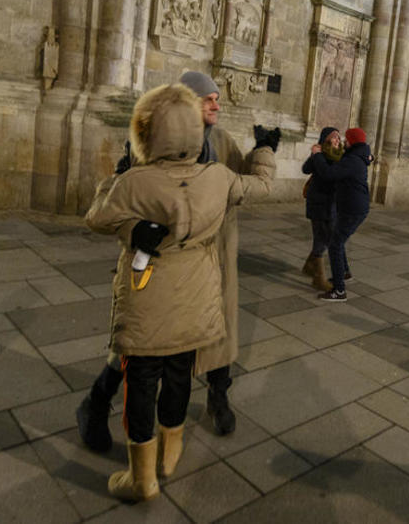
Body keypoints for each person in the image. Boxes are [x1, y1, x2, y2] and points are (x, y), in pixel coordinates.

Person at [84, 83, 277, 501]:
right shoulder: (219, 177)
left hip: (147, 304)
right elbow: (261, 185)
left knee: (142, 384)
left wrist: (114, 178)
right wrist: (264, 150)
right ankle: (170, 458)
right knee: (177, 381)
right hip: (196, 304)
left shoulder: (135, 182)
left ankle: (142, 478)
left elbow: (96, 218)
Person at [310, 127, 372, 301]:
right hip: (353, 206)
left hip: (353, 209)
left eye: (346, 139)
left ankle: (339, 290)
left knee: (335, 245)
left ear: (352, 141)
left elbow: (329, 174)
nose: (343, 141)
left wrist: (317, 155)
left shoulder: (353, 159)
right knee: (338, 240)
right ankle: (344, 273)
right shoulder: (359, 154)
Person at [301, 127, 345, 290]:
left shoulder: (339, 154)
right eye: (334, 137)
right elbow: (306, 169)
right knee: (324, 237)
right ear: (325, 139)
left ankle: (310, 266)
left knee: (325, 237)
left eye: (338, 138)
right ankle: (318, 277)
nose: (337, 140)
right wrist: (315, 155)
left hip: (332, 204)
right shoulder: (321, 154)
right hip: (319, 203)